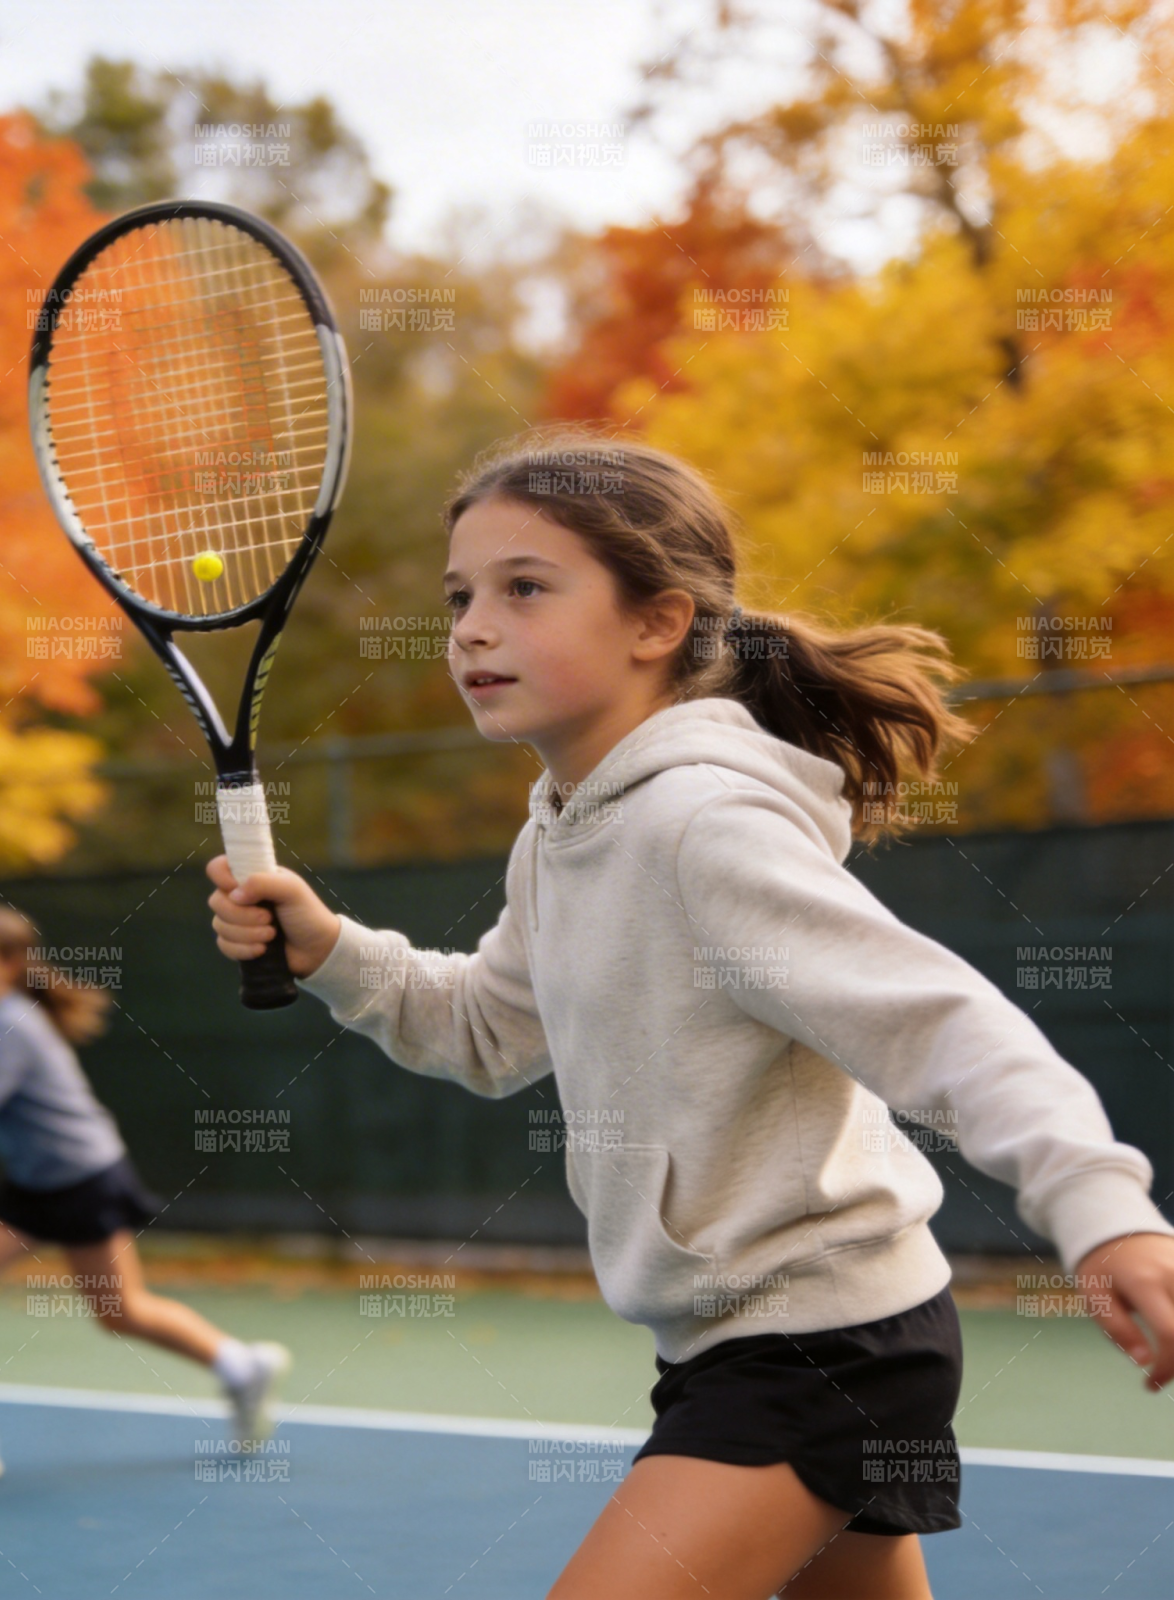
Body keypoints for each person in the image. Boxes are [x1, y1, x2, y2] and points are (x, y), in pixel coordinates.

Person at [204, 428, 1174, 1600]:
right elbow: (489, 1031)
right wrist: (332, 950)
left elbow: (942, 1023)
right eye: (459, 594)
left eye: (524, 588)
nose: (469, 626)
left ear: (656, 622)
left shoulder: (701, 830)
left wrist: (1104, 1211)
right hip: (745, 1343)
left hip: (819, 1347)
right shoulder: (559, 831)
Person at [0, 901, 290, 1486]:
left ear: (7, 964)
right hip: (43, 1179)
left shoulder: (6, 1024)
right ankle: (241, 1366)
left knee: (114, 1310)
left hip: (79, 1180)